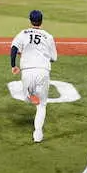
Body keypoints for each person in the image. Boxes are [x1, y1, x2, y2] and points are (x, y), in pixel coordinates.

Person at [10, 10, 57, 143]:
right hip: (43, 70)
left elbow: (14, 48)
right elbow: (54, 58)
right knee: (42, 105)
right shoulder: (48, 36)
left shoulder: (23, 33)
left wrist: (13, 65)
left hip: (27, 70)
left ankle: (30, 96)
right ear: (42, 21)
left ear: (30, 21)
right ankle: (38, 134)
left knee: (25, 97)